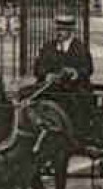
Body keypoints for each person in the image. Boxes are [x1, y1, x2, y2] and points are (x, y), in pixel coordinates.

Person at [32, 13, 94, 141]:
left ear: (71, 31)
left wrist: (75, 73)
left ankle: (76, 135)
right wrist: (47, 75)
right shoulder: (48, 47)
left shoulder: (79, 48)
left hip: (73, 89)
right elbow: (38, 67)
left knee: (75, 102)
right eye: (58, 29)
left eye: (63, 30)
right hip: (50, 88)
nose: (59, 33)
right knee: (28, 97)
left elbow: (88, 69)